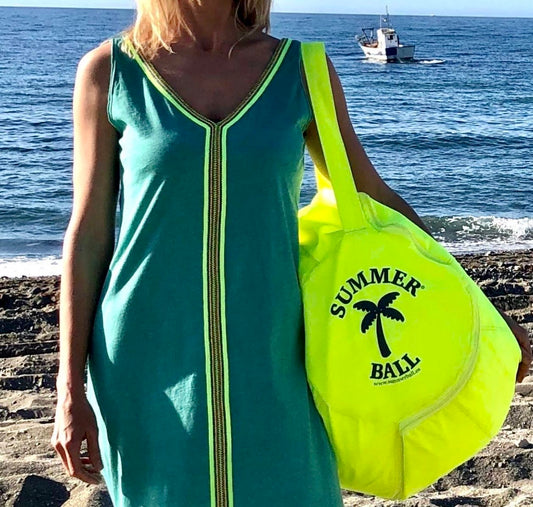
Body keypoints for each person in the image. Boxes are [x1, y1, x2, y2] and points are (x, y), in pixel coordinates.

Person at [50, 0, 533, 505]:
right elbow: (88, 234)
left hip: (281, 353)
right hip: (142, 355)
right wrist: (69, 388)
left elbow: (372, 198)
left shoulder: (301, 69)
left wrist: (481, 310)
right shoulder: (111, 71)